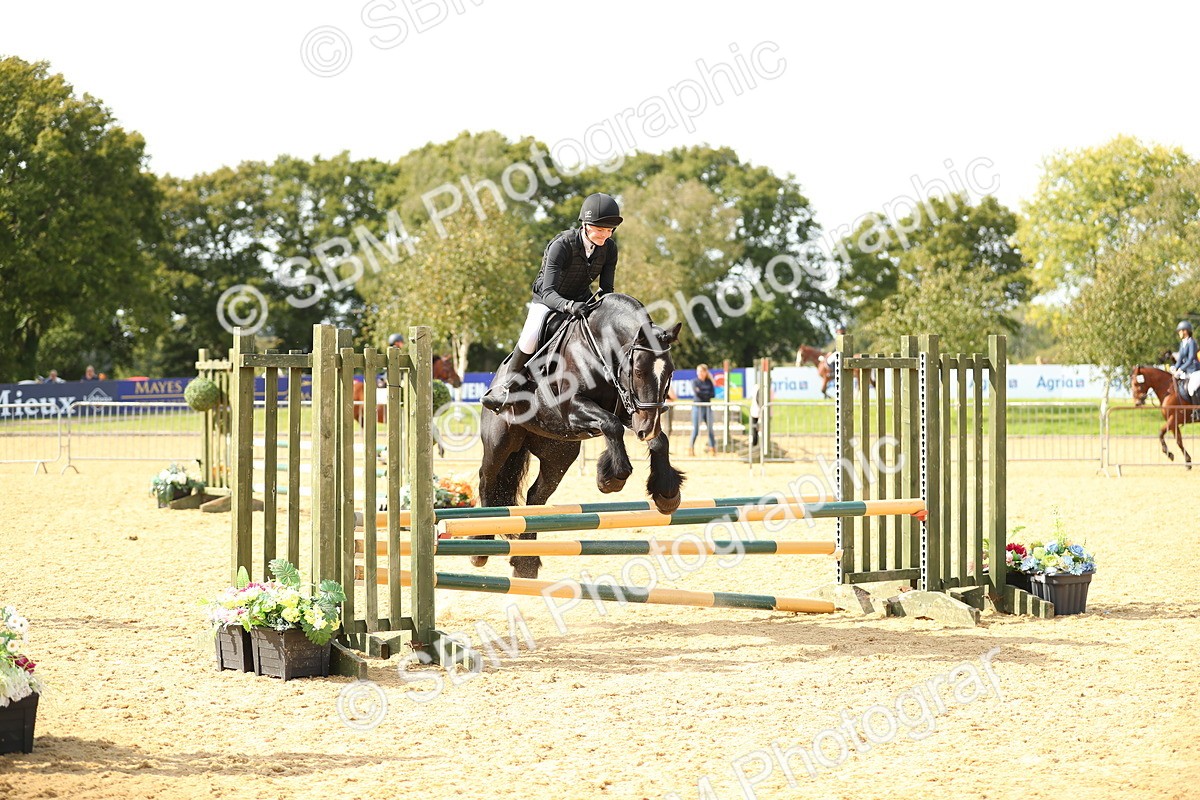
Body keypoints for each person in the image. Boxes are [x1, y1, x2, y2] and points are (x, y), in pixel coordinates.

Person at [481, 192, 622, 412]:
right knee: (530, 335)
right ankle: (505, 389)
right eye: (600, 229)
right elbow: (548, 291)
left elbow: (606, 289)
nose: (606, 235)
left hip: (581, 299)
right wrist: (569, 306)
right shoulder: (562, 245)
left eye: (609, 230)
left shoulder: (610, 249)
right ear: (585, 225)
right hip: (547, 300)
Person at [690, 364, 717, 456]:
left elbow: (712, 394)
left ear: (706, 372)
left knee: (710, 429)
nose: (700, 373)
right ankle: (691, 448)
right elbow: (697, 393)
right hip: (697, 407)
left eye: (702, 371)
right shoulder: (694, 382)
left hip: (707, 407)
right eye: (698, 371)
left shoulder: (709, 382)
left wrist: (702, 392)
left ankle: (712, 448)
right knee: (696, 430)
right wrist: (706, 393)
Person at [1172, 320, 1200, 399]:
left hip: (1195, 371)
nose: (1179, 333)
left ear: (1185, 331)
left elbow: (1191, 359)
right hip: (1187, 371)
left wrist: (1180, 369)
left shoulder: (1192, 343)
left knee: (1192, 388)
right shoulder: (1182, 343)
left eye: (1180, 331)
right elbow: (1180, 359)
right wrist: (1175, 368)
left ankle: (1197, 410)